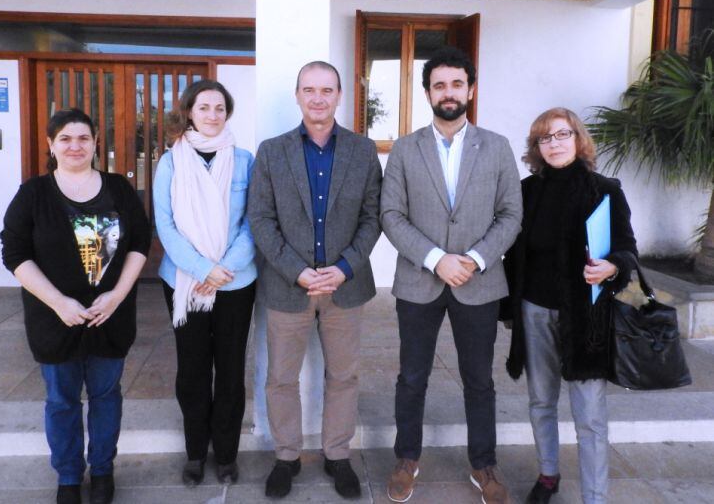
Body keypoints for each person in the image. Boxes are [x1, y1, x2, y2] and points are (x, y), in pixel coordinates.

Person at [380, 47, 522, 504]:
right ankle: (407, 458)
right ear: (427, 93)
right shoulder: (404, 148)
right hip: (420, 279)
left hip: (479, 282)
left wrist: (476, 259)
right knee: (411, 377)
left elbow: (510, 214)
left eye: (456, 83)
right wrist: (437, 257)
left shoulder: (497, 146)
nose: (448, 92)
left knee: (479, 380)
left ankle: (484, 465)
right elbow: (391, 214)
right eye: (439, 85)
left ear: (470, 89)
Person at [0, 108, 150, 504]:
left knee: (106, 397)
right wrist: (58, 302)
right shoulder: (33, 194)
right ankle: (68, 476)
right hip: (55, 319)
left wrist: (117, 295)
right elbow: (14, 254)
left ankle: (102, 471)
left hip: (110, 317)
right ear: (51, 144)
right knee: (62, 401)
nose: (75, 146)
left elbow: (140, 243)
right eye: (65, 138)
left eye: (83, 138)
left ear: (96, 142)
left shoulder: (119, 188)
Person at [248, 60, 382, 499]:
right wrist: (298, 271)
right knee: (281, 378)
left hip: (346, 287)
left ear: (339, 95)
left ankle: (337, 455)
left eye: (327, 90)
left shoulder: (363, 151)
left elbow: (372, 217)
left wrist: (343, 268)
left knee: (343, 376)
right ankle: (286, 457)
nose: (318, 98)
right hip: (289, 285)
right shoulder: (272, 151)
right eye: (310, 89)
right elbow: (261, 219)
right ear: (298, 95)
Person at [502, 107, 637, 504]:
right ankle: (548, 475)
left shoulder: (604, 190)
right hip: (534, 310)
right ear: (536, 147)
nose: (554, 144)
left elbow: (627, 249)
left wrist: (613, 266)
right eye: (545, 138)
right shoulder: (526, 192)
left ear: (578, 140)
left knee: (590, 415)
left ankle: (595, 496)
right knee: (541, 400)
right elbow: (513, 253)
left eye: (562, 135)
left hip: (586, 317)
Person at [153, 79, 256, 486]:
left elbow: (254, 220)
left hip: (235, 280)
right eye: (203, 107)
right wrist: (201, 269)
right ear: (189, 112)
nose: (212, 115)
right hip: (184, 280)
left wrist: (223, 269)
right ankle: (196, 452)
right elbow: (165, 223)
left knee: (230, 369)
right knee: (192, 368)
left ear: (227, 113)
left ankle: (226, 454)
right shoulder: (170, 162)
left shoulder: (245, 160)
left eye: (219, 108)